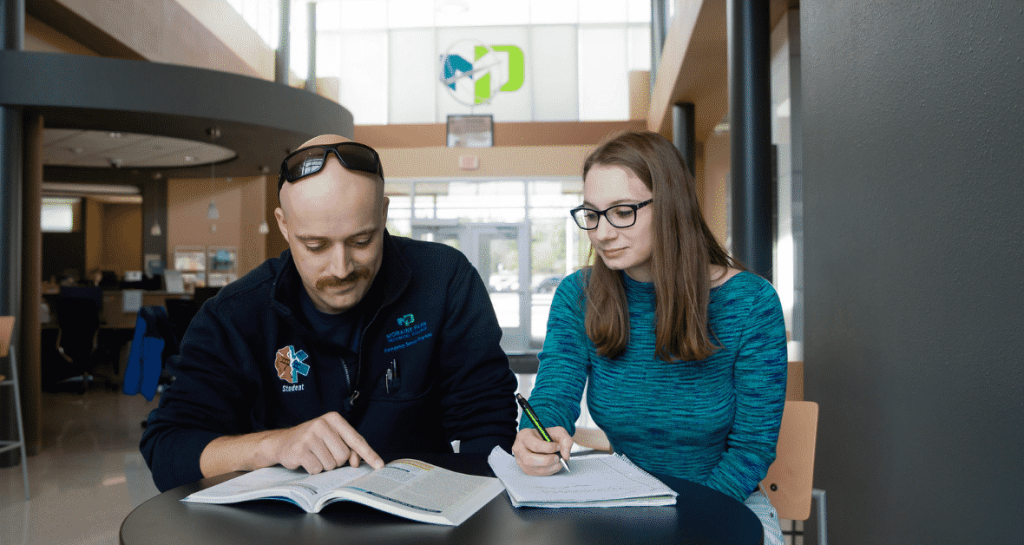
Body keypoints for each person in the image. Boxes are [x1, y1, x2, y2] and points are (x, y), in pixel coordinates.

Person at [141, 135, 519, 492]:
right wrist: (274, 445)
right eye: (315, 245)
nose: (341, 268)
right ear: (284, 226)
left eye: (361, 241)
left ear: (383, 213)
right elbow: (168, 448)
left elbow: (487, 420)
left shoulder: (444, 280)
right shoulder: (234, 315)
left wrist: (468, 509)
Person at [511, 131, 787, 544]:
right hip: (623, 502)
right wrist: (538, 434)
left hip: (726, 502)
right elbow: (554, 395)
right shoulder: (578, 295)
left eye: (622, 211)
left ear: (672, 207)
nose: (602, 233)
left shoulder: (751, 302)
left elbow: (752, 448)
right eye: (591, 213)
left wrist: (685, 520)